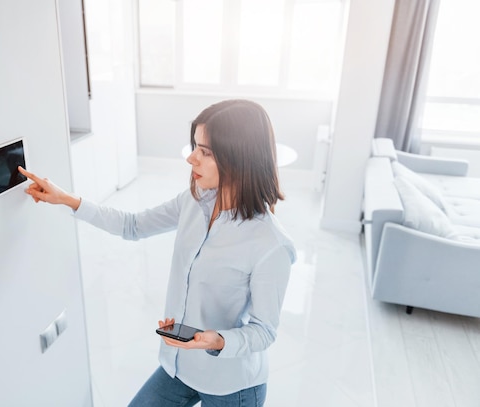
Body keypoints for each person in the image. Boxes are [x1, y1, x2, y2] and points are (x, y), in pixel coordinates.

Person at [18, 99, 296, 407]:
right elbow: (133, 225)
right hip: (180, 365)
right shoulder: (194, 201)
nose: (191, 158)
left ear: (238, 158)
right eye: (195, 146)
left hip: (231, 385)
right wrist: (68, 200)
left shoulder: (271, 244)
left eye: (204, 152)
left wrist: (217, 340)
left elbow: (264, 331)